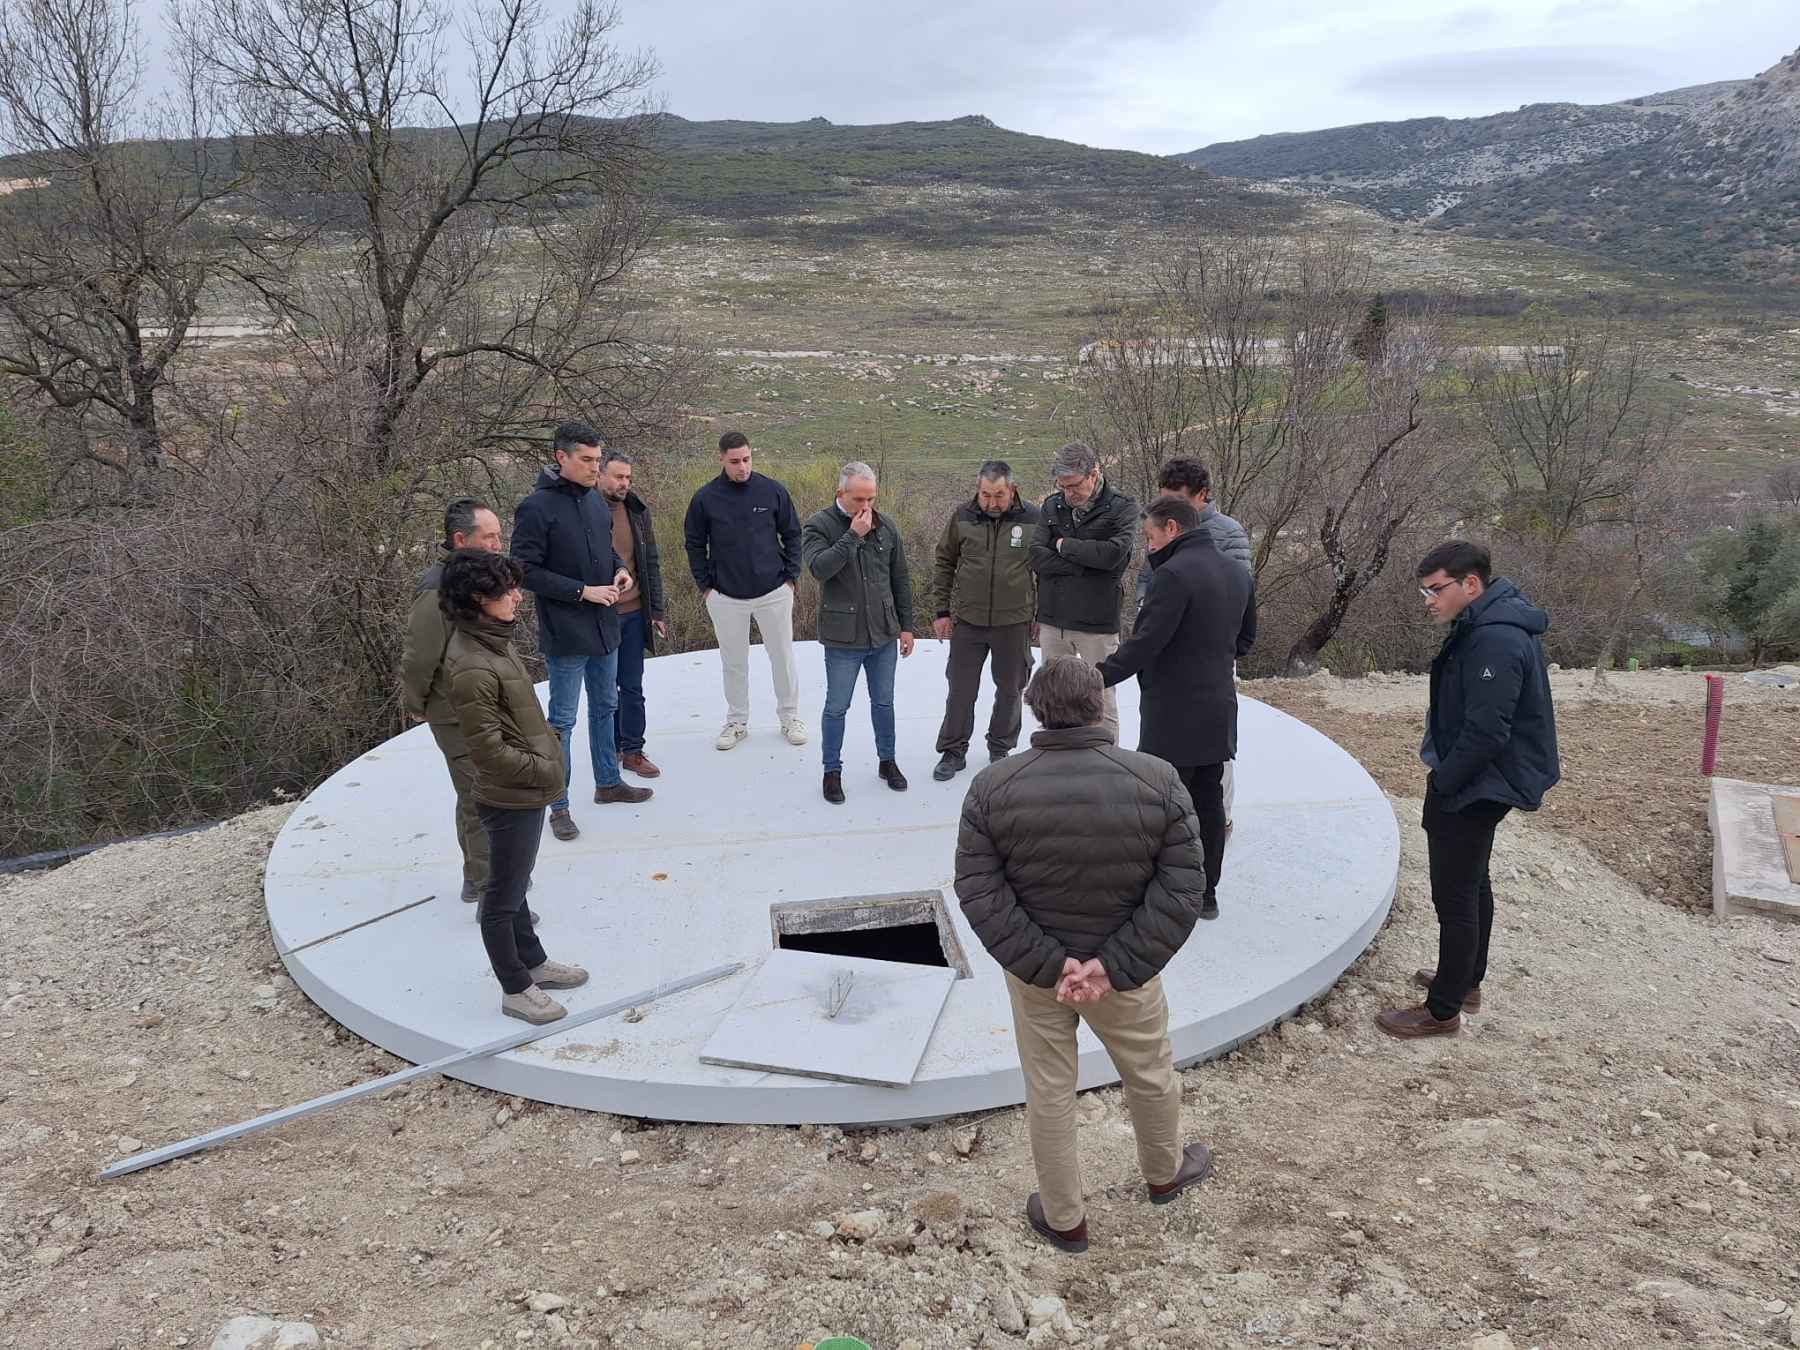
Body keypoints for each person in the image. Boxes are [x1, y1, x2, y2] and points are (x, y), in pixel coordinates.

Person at [955, 656, 1214, 1254]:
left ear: (1034, 711)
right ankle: (1164, 1174)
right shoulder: (1157, 778)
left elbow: (979, 891)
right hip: (1124, 977)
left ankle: (1066, 1220)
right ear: (1099, 705)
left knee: (1049, 1087)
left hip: (1039, 977)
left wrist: (1051, 965)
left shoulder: (992, 787)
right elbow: (1181, 889)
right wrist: (1113, 965)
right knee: (1149, 1071)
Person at [1377, 541, 1560, 1040]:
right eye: (1426, 590)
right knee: (1474, 881)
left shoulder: (1495, 640)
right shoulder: (1485, 624)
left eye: (1436, 590)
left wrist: (1446, 780)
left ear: (1471, 584)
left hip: (1480, 781)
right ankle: (1465, 981)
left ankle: (1442, 1011)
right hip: (1481, 777)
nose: (1428, 600)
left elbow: (1488, 731)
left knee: (1454, 896)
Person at [439, 549, 590, 1025]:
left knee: (515, 887)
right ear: (478, 599)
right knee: (500, 899)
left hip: (524, 787)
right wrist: (546, 768)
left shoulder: (492, 641)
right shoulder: (470, 664)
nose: (517, 597)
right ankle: (515, 988)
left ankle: (534, 963)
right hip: (509, 796)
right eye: (507, 591)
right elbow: (487, 750)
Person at [1098, 498, 1255, 922]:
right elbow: (1244, 641)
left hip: (1173, 713)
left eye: (1150, 536)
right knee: (1208, 803)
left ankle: (1160, 892)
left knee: (1162, 805)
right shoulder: (1238, 573)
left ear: (1172, 528)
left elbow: (1145, 645)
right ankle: (1206, 895)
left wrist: (1096, 678)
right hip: (1218, 707)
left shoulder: (1172, 576)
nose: (1148, 546)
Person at [513, 421, 653, 844]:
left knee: (606, 707)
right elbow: (523, 570)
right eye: (587, 460)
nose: (596, 468)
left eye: (598, 460)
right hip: (567, 632)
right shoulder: (536, 508)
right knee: (562, 721)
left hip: (605, 626)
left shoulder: (594, 502)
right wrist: (581, 592)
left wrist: (619, 571)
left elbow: (606, 550)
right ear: (561, 458)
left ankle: (608, 783)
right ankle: (559, 806)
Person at [1135, 457, 1253, 836]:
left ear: (1201, 495)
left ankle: (1220, 818)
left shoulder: (1229, 534)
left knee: (1212, 751)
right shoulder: (1160, 526)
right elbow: (1146, 578)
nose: (1168, 506)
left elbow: (1238, 599)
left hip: (1210, 658)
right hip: (1165, 657)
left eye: (1178, 498)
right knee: (1166, 744)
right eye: (1164, 497)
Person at [401, 497, 503, 904]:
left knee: (479, 792)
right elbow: (419, 655)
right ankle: (487, 888)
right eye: (489, 537)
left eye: (499, 535)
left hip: (481, 705)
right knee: (481, 796)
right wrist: (417, 703)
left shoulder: (478, 578)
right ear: (461, 539)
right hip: (455, 710)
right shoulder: (436, 589)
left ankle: (479, 876)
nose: (498, 544)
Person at [683, 431, 808, 750]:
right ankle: (737, 721)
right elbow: (695, 545)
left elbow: (793, 535)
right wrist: (706, 586)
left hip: (773, 591)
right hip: (725, 596)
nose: (742, 467)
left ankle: (790, 717)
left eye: (747, 459)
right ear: (721, 458)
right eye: (735, 461)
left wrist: (790, 577)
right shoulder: (705, 498)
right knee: (733, 661)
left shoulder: (772, 491)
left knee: (782, 656)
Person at [801, 460, 915, 803]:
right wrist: (853, 535)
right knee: (837, 706)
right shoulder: (819, 525)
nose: (866, 507)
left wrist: (907, 626)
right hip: (843, 638)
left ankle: (887, 761)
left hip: (882, 633)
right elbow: (819, 569)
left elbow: (900, 579)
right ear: (840, 493)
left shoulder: (886, 526)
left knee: (884, 703)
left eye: (871, 499)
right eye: (859, 500)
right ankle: (831, 771)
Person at [930, 460, 1041, 781]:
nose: (992, 502)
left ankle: (1000, 748)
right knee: (961, 689)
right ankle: (953, 750)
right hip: (969, 620)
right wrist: (942, 612)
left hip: (1014, 621)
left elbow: (1045, 570)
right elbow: (944, 562)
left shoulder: (1033, 519)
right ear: (977, 490)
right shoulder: (962, 516)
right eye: (986, 495)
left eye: (999, 495)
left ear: (1012, 490)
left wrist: (1040, 615)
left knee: (1011, 689)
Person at [1030, 442, 1138, 742]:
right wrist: (1085, 566)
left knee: (1101, 697)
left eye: (1074, 486)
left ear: (1094, 474)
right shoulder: (1052, 506)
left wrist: (1064, 546)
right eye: (1062, 486)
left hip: (1097, 621)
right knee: (1052, 697)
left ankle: (1105, 763)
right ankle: (1057, 759)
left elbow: (1112, 557)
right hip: (1054, 619)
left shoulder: (1123, 507)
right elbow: (1036, 556)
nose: (1068, 493)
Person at [597, 450, 668, 779]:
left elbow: (649, 560)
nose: (624, 482)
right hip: (600, 614)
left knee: (632, 687)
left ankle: (634, 751)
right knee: (604, 690)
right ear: (600, 475)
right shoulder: (588, 510)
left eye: (628, 477)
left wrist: (656, 610)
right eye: (618, 476)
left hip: (635, 612)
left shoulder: (636, 510)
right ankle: (611, 748)